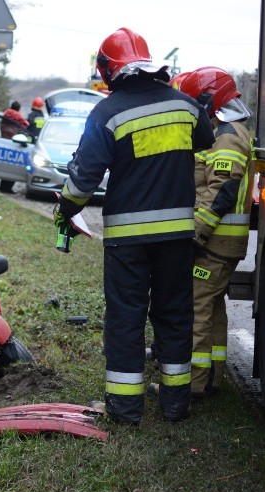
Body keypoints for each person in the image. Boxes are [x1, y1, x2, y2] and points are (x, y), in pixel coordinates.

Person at [56, 27, 215, 424]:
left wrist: (65, 209)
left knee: (126, 316)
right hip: (178, 234)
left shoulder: (107, 113)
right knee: (175, 314)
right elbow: (205, 140)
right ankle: (176, 404)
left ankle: (126, 408)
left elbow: (82, 181)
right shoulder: (186, 107)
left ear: (109, 70)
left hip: (128, 240)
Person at [169, 67, 253, 399]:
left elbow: (222, 191)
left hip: (216, 241)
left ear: (208, 101)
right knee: (213, 304)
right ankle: (213, 377)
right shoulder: (227, 131)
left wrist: (195, 235)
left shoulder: (228, 135)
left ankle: (194, 383)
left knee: (197, 305)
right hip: (223, 242)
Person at [0, 101, 30, 193]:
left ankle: (2, 187)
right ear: (18, 108)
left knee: (4, 165)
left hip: (4, 142)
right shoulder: (17, 116)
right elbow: (26, 125)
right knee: (13, 166)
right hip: (15, 143)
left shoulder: (5, 114)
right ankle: (8, 188)